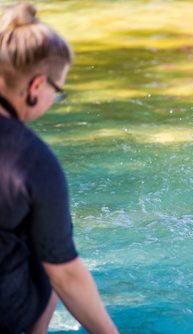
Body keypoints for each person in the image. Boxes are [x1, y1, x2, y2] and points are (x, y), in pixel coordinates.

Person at [0, 3, 118, 333]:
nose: (54, 99)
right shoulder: (31, 161)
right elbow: (65, 274)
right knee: (48, 246)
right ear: (37, 86)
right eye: (58, 91)